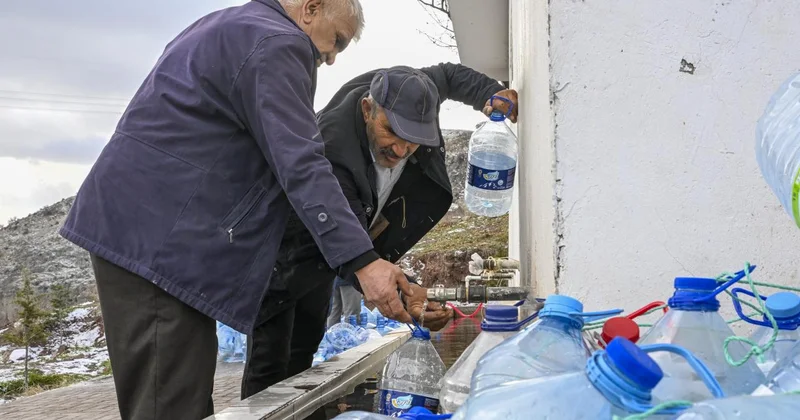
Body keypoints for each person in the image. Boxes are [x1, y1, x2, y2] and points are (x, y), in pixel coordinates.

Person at [57, 1, 417, 419]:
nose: (332, 57)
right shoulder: (279, 43)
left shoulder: (231, 24)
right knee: (169, 405)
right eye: (335, 40)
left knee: (172, 396)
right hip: (159, 246)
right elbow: (301, 163)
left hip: (148, 234)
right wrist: (363, 261)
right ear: (311, 9)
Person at [241, 64, 519, 400]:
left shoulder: (412, 92)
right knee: (270, 366)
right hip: (285, 251)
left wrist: (487, 92)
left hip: (327, 261)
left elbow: (446, 77)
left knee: (303, 356)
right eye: (391, 133)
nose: (401, 150)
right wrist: (404, 295)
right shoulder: (331, 152)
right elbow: (353, 244)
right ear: (367, 109)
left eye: (414, 141)